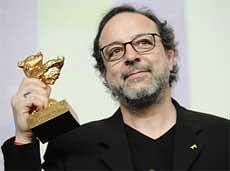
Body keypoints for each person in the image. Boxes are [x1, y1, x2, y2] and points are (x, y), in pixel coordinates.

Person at [1, 5, 229, 171]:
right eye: (115, 51)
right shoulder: (70, 148)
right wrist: (24, 137)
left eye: (143, 42)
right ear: (104, 75)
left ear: (170, 56)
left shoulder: (224, 139)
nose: (130, 55)